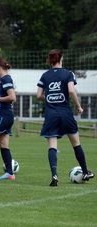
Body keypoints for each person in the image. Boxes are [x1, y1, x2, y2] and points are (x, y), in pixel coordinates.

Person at [36, 49, 94, 186]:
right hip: (65, 113)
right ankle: (85, 171)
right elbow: (71, 90)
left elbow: (38, 95)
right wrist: (78, 106)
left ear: (50, 61)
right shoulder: (68, 74)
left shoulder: (44, 75)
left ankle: (55, 175)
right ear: (61, 59)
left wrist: (50, 98)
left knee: (52, 145)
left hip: (51, 115)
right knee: (76, 143)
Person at [0, 58, 16, 180]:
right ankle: (10, 172)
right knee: (4, 144)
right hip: (7, 115)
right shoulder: (2, 80)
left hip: (4, 116)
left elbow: (12, 97)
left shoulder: (6, 79)